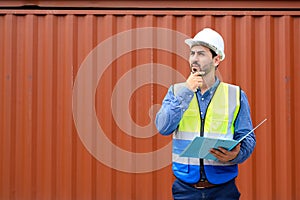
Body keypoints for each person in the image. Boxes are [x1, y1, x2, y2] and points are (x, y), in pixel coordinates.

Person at [155, 28, 256, 200]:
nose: (194, 58)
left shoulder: (236, 95)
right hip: (185, 188)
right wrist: (187, 91)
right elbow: (163, 127)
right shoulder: (177, 91)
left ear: (216, 60)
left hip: (223, 189)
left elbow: (248, 138)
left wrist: (236, 155)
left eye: (201, 54)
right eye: (192, 53)